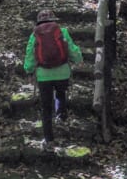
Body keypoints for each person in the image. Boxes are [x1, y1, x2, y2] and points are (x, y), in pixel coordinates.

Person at [23, 9, 83, 149]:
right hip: (62, 72)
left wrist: (29, 70)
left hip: (43, 76)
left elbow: (30, 54)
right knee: (61, 94)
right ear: (53, 20)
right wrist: (78, 59)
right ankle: (61, 117)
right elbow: (71, 49)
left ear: (38, 22)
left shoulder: (34, 34)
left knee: (46, 107)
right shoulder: (62, 31)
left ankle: (49, 139)